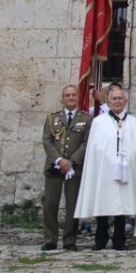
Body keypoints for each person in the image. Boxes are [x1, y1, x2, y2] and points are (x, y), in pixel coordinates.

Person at [75, 84, 136, 251]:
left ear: (125, 101)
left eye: (120, 98)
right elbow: (95, 147)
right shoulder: (99, 122)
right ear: (108, 101)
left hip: (124, 168)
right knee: (103, 200)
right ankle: (101, 237)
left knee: (121, 202)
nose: (117, 101)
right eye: (114, 98)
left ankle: (119, 238)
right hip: (104, 169)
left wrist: (127, 159)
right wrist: (109, 159)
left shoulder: (132, 121)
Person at [41, 85, 92, 251]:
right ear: (62, 98)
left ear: (78, 98)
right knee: (50, 204)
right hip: (55, 167)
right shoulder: (52, 118)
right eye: (67, 95)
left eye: (73, 95)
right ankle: (50, 239)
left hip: (74, 167)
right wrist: (59, 160)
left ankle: (70, 240)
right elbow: (47, 141)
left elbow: (86, 142)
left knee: (72, 205)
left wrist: (71, 161)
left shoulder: (86, 119)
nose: (70, 98)